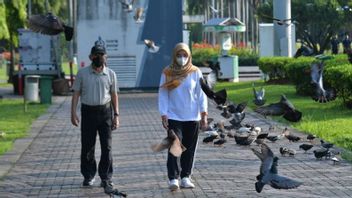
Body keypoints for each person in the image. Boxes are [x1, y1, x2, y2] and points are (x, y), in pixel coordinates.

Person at [158, 42, 208, 191]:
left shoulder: (195, 72)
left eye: (185, 55)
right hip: (174, 116)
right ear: (174, 55)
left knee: (189, 149)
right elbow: (163, 93)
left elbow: (201, 94)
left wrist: (204, 114)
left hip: (192, 117)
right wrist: (163, 114)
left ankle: (186, 177)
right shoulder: (167, 72)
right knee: (175, 146)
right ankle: (173, 178)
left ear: (189, 56)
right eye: (179, 55)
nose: (182, 58)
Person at [71, 41, 119, 192]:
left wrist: (116, 114)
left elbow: (114, 95)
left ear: (106, 57)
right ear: (91, 56)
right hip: (88, 112)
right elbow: (76, 94)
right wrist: (73, 112)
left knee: (107, 147)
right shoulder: (82, 73)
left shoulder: (111, 74)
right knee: (87, 146)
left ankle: (105, 177)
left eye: (102, 55)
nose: (99, 57)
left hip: (105, 113)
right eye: (96, 55)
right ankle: (88, 175)